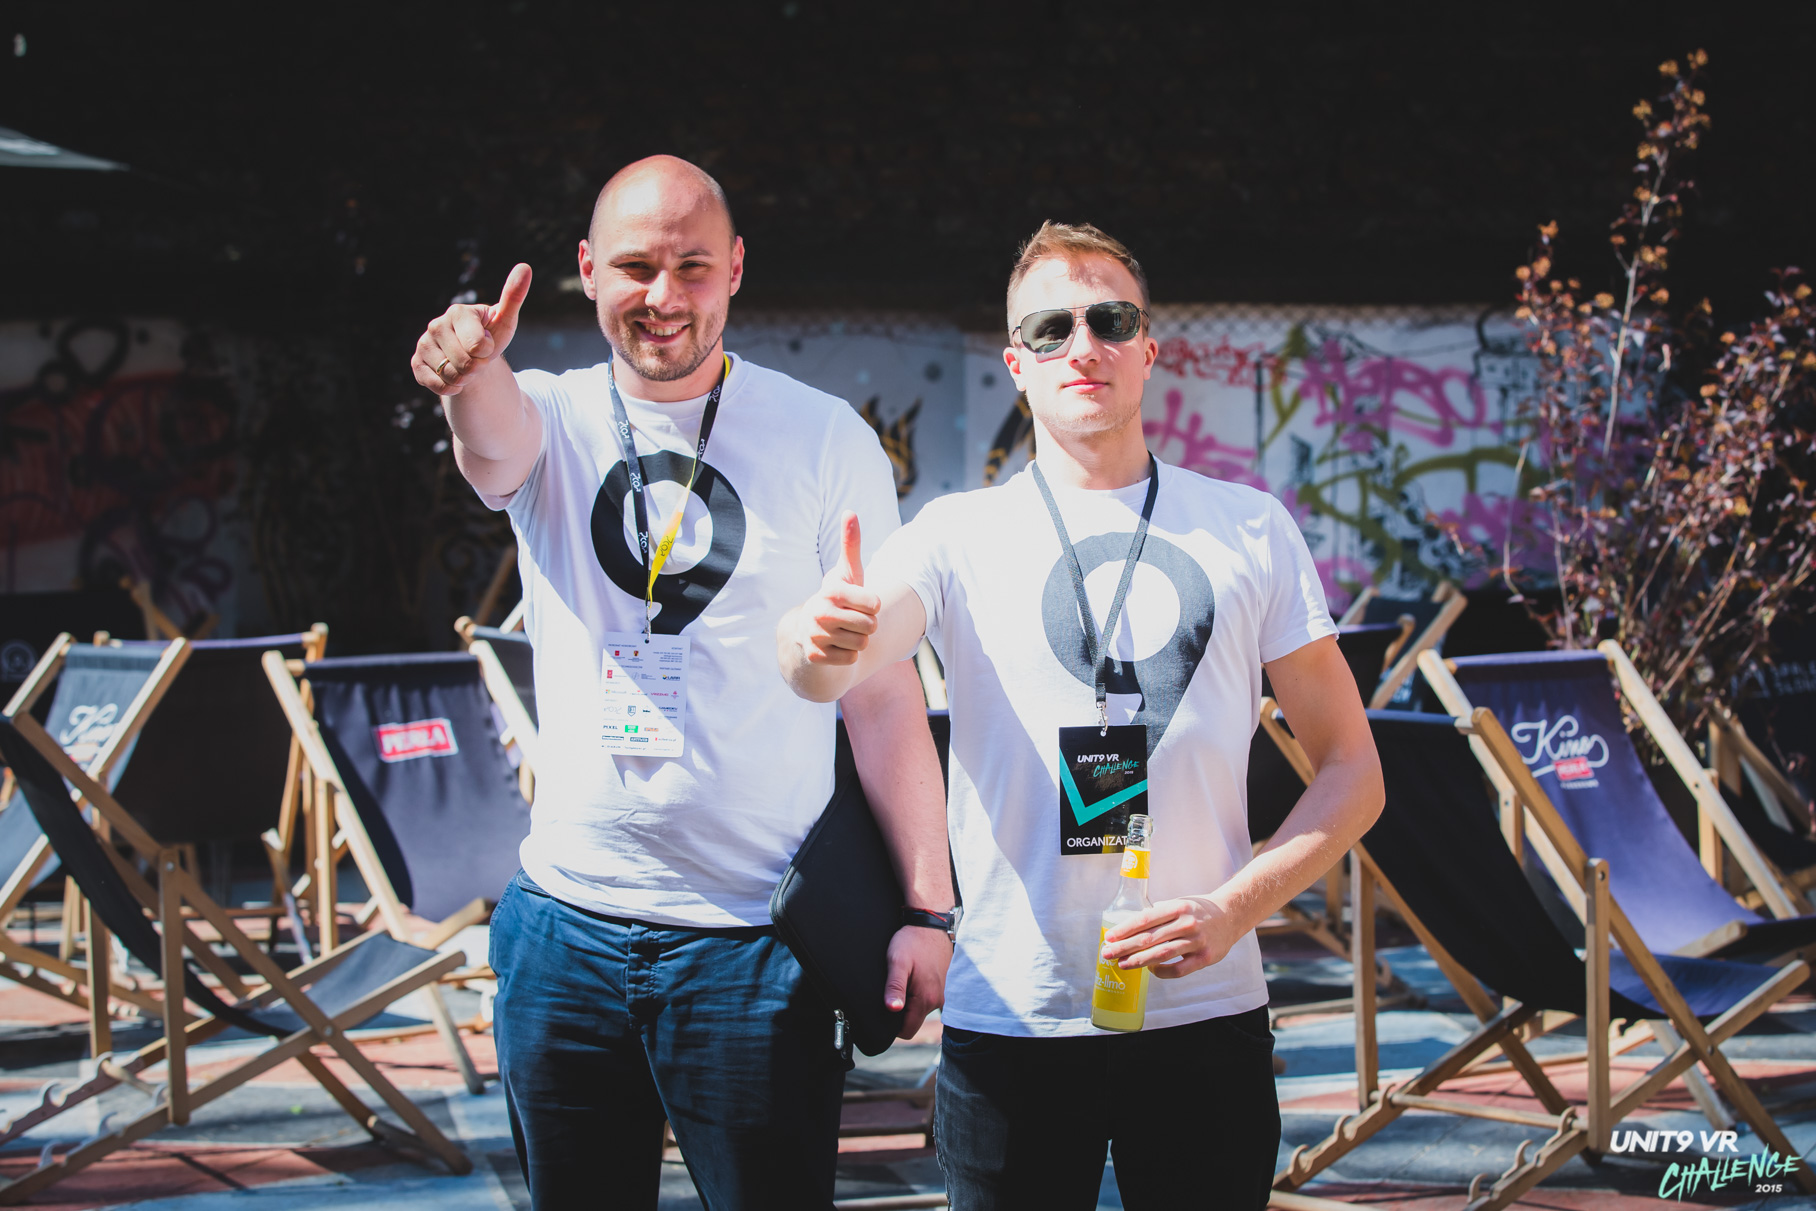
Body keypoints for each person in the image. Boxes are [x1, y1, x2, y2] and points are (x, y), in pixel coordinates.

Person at [777, 221, 1383, 1210]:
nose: (1083, 345)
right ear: (1016, 363)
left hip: (1203, 1010)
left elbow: (1354, 770)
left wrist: (1236, 908)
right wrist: (810, 641)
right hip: (1013, 1013)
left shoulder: (1250, 527)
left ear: (1149, 347)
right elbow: (823, 673)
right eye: (1050, 329)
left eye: (1110, 320)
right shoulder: (955, 535)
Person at [411, 155, 955, 1210]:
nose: (663, 295)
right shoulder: (549, 413)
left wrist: (929, 910)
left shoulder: (822, 436)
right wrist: (467, 368)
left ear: (736, 269)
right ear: (586, 270)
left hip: (757, 946)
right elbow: (490, 443)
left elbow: (882, 695)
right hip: (563, 933)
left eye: (692, 267)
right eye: (635, 266)